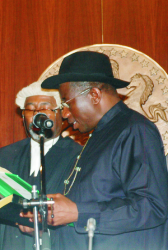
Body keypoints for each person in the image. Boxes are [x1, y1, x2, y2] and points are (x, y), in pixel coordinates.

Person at [40, 51, 168, 249]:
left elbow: (152, 207)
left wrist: (78, 212)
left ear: (94, 95)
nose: (64, 114)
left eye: (66, 102)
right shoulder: (98, 135)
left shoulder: (135, 130)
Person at [0, 81, 82, 249]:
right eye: (30, 109)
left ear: (61, 113)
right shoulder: (3, 157)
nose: (37, 115)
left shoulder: (78, 156)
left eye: (45, 107)